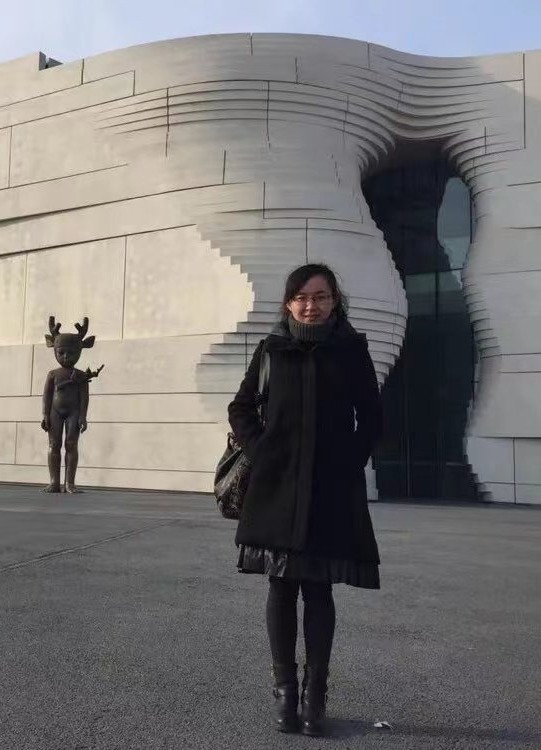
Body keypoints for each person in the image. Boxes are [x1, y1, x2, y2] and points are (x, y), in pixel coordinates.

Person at [228, 263, 382, 737]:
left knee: (319, 591)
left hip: (329, 490)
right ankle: (285, 695)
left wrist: (348, 461)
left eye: (320, 297)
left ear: (335, 301)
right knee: (280, 587)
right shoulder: (271, 349)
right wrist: (262, 451)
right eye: (302, 297)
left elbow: (372, 418)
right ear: (288, 303)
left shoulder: (351, 349)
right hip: (277, 488)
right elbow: (241, 407)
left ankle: (316, 696)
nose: (310, 305)